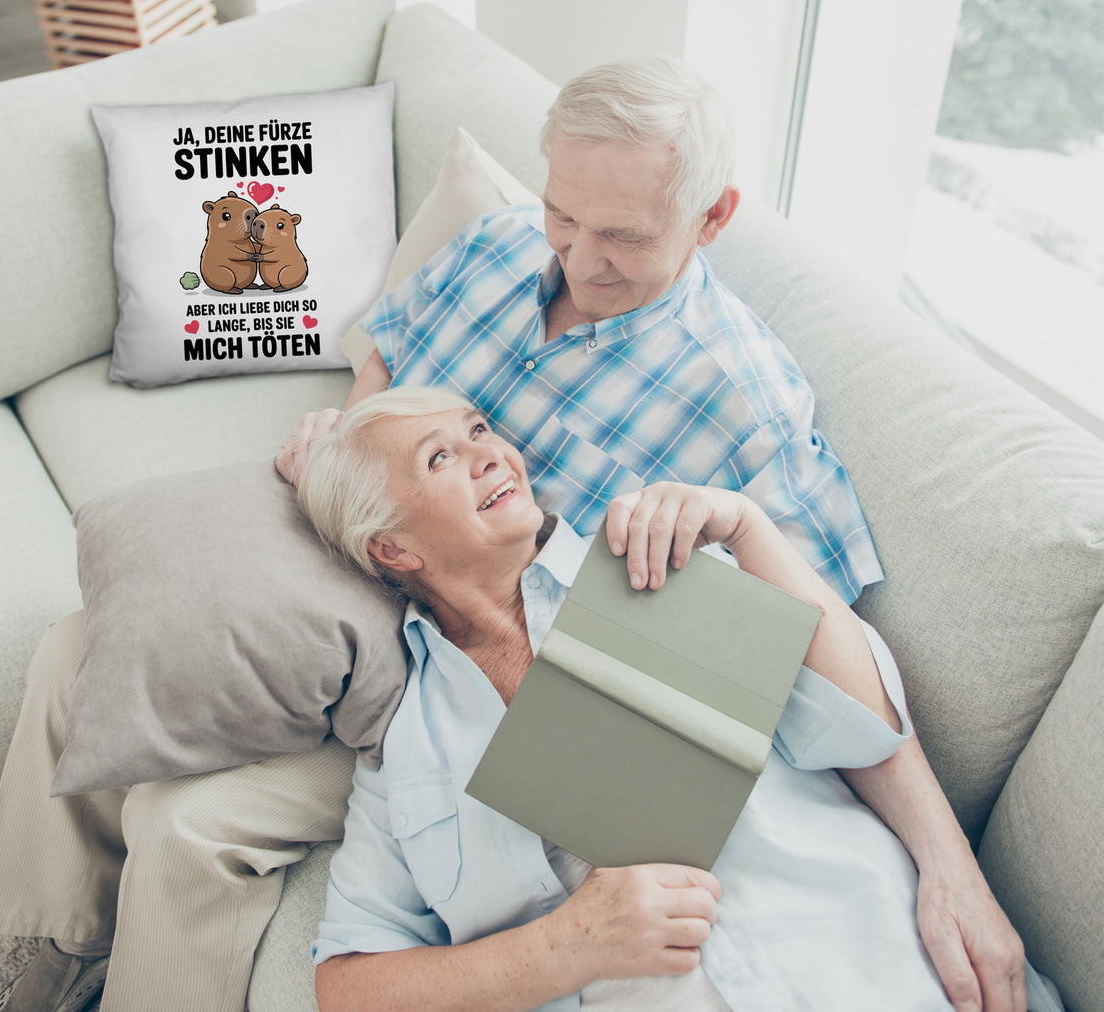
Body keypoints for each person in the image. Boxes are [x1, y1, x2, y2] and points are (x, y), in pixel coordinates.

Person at [278, 58, 1026, 1011]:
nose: (579, 260)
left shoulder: (719, 460)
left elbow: (835, 683)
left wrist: (948, 865)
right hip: (381, 632)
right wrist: (352, 455)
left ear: (712, 218)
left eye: (623, 236)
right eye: (563, 216)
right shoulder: (498, 248)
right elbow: (390, 347)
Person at [297, 387, 1051, 1012]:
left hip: (875, 965)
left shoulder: (652, 560)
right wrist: (562, 948)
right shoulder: (406, 749)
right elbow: (348, 985)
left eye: (479, 430)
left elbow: (863, 727)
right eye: (440, 457)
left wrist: (749, 529)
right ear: (392, 548)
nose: (491, 453)